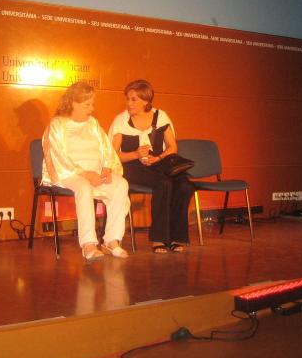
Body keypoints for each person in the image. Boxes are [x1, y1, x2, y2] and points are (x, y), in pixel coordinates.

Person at [42, 82, 130, 261]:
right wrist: (86, 174)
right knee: (83, 187)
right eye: (87, 104)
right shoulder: (57, 124)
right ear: (73, 103)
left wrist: (107, 168)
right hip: (68, 174)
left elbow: (106, 149)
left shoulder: (93, 123)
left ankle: (112, 240)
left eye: (92, 104)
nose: (92, 108)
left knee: (120, 184)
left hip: (95, 173)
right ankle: (89, 244)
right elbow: (58, 157)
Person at [109, 79, 194, 253]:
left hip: (157, 163)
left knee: (185, 185)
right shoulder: (121, 121)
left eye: (134, 99)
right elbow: (112, 155)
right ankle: (159, 238)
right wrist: (135, 154)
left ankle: (177, 236)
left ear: (146, 101)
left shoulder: (160, 116)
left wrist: (158, 158)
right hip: (131, 166)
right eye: (128, 99)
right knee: (164, 183)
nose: (129, 103)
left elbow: (173, 147)